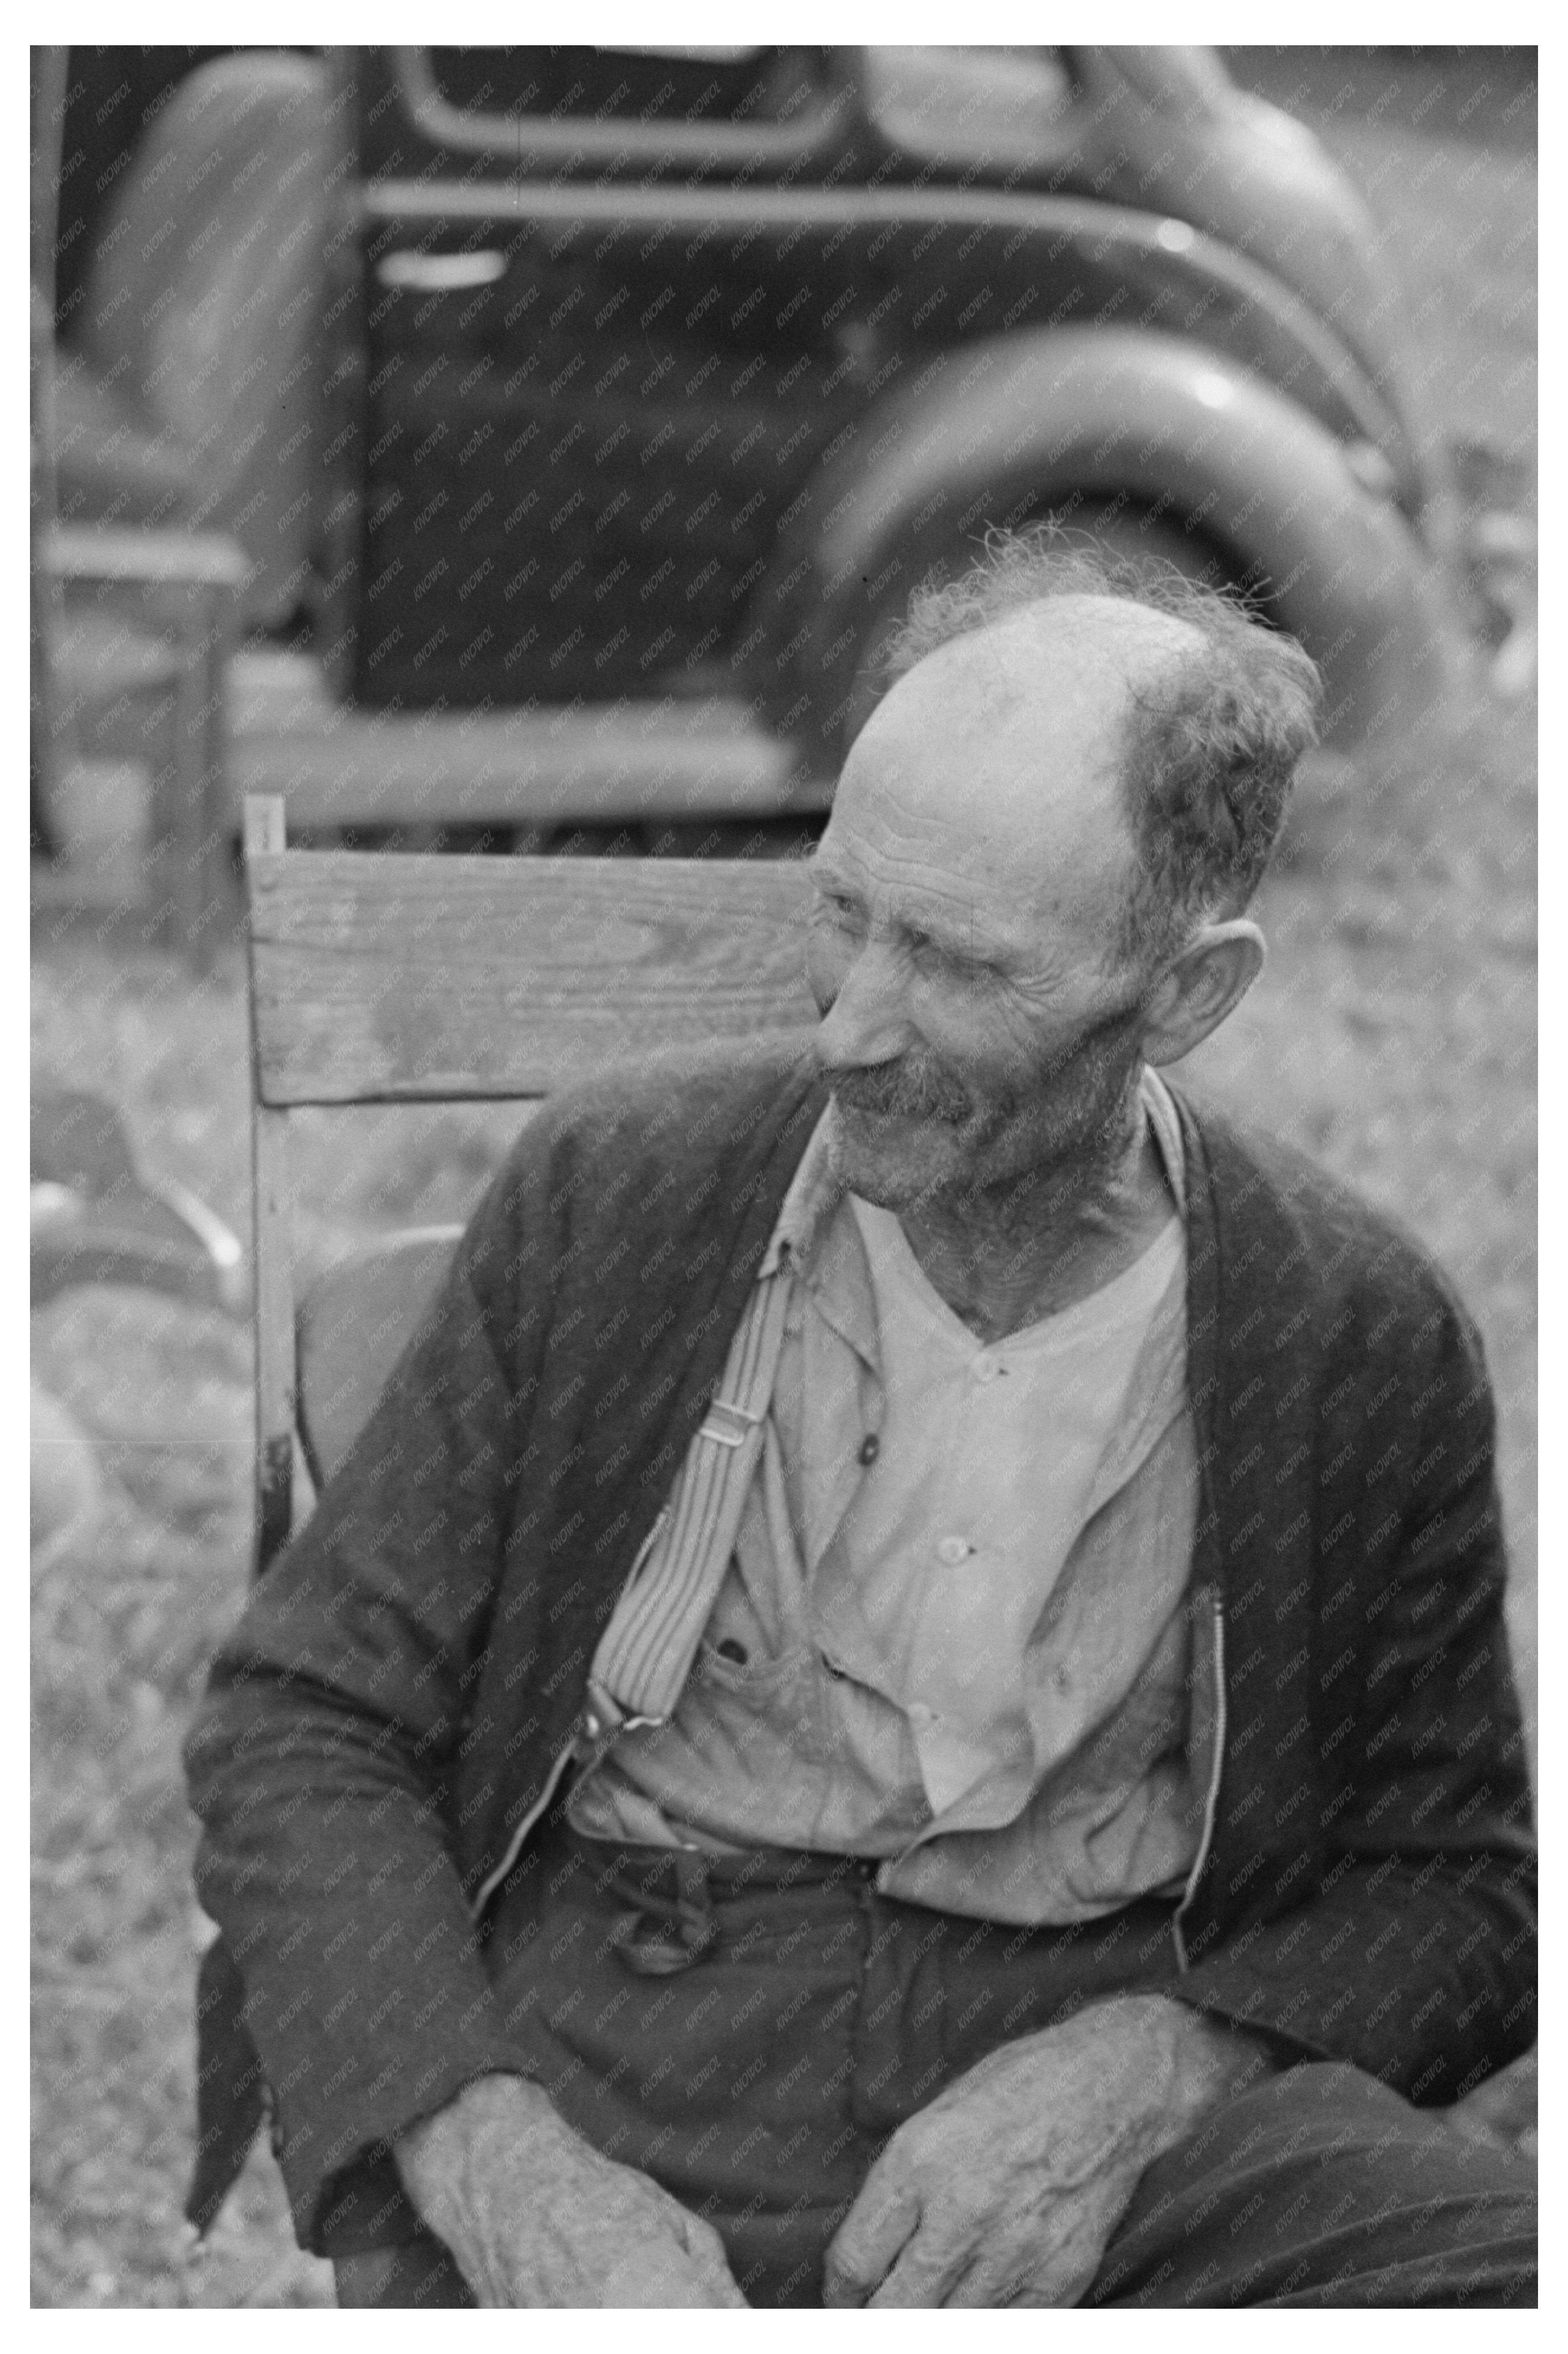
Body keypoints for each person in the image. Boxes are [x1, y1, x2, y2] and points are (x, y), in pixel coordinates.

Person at [184, 534, 1536, 2309]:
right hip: (630, 2043)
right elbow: (304, 1723)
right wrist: (502, 2169)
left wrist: (1155, 2071)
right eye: (841, 912)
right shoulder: (619, 1194)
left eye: (958, 964)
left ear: (1187, 994)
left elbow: (1457, 1889)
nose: (847, 1028)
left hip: (1111, 2058)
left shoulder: (1350, 1329)